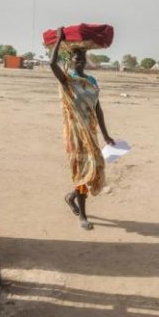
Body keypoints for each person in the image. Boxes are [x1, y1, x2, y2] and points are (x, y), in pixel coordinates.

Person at [50, 27, 115, 230]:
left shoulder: (91, 81)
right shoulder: (67, 80)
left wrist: (106, 135)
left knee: (93, 170)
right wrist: (59, 40)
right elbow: (52, 63)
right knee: (81, 172)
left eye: (83, 58)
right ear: (71, 60)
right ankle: (83, 216)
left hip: (91, 132)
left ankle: (71, 197)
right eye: (77, 58)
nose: (80, 61)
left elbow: (97, 108)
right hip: (75, 135)